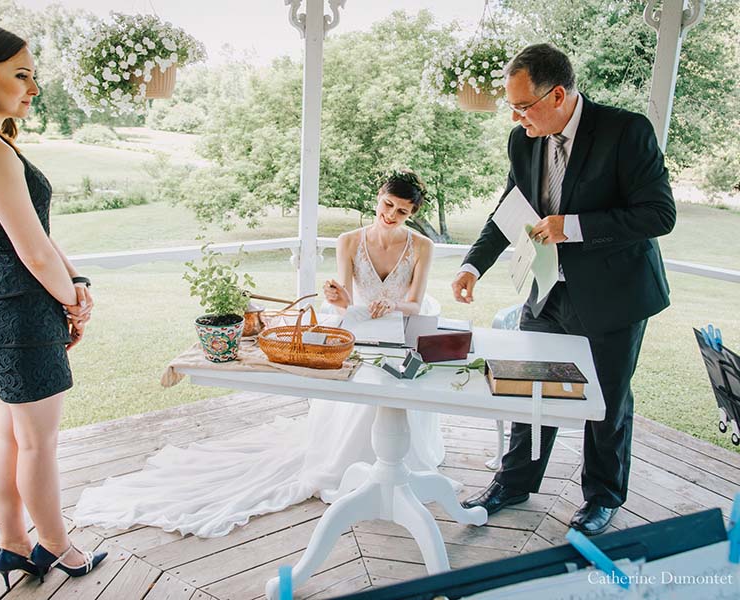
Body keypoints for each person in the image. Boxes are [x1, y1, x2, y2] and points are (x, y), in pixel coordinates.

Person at [73, 170, 443, 537]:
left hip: (399, 329)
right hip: (357, 329)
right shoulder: (348, 241)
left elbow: (414, 303)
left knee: (394, 393)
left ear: (411, 215)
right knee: (355, 397)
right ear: (378, 197)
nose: (390, 215)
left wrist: (390, 305)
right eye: (387, 205)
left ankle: (393, 467)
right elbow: (344, 303)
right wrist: (338, 298)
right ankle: (352, 467)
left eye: (401, 212)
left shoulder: (421, 246)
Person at [451, 43, 675, 536]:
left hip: (615, 295)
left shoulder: (626, 131)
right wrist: (473, 266)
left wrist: (569, 227)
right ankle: (514, 481)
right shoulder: (522, 140)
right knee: (531, 387)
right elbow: (509, 210)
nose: (515, 116)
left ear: (557, 95)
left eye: (523, 106)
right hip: (546, 290)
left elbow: (659, 215)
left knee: (607, 400)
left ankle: (603, 496)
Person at [0, 25, 106, 589]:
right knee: (37, 440)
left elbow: (37, 237)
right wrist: (73, 302)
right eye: (22, 74)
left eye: (33, 74)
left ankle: (13, 543)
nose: (33, 86)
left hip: (3, 306)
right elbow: (33, 252)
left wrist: (75, 282)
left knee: (8, 434)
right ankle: (55, 546)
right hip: (16, 310)